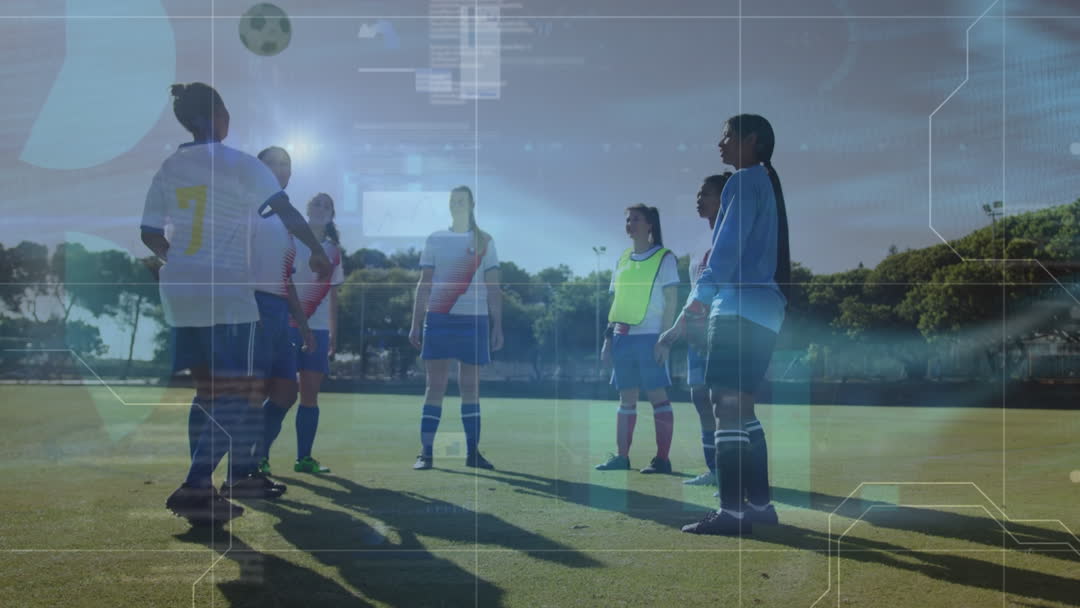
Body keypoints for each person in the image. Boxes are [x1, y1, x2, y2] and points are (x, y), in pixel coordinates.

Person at [141, 82, 328, 525]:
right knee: (242, 392)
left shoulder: (170, 165)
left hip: (179, 288)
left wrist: (178, 261)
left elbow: (149, 233)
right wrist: (317, 250)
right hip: (225, 290)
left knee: (209, 390)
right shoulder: (242, 164)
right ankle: (196, 484)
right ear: (219, 116)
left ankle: (205, 487)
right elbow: (287, 212)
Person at [659, 114, 790, 535]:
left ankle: (732, 513)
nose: (720, 143)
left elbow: (726, 250)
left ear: (751, 140)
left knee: (725, 405)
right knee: (742, 407)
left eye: (727, 136)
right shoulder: (765, 182)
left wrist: (692, 308)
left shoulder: (744, 181)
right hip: (764, 309)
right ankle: (761, 507)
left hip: (737, 309)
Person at [408, 186, 503, 470]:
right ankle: (426, 453)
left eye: (462, 201)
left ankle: (473, 454)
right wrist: (415, 323)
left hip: (474, 321)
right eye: (453, 201)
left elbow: (494, 287)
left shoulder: (485, 241)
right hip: (439, 318)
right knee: (434, 386)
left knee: (470, 388)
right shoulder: (435, 239)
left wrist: (498, 326)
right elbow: (424, 283)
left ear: (472, 205)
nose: (457, 205)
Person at [258, 192, 344, 475]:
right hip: (286, 325)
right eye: (316, 203)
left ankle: (304, 458)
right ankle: (259, 457)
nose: (321, 208)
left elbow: (332, 295)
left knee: (310, 395)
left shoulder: (333, 250)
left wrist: (332, 332)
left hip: (318, 330)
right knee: (280, 393)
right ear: (307, 209)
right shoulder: (288, 239)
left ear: (331, 215)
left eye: (327, 205)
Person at [594, 205, 680, 474]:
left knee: (658, 397)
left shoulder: (665, 257)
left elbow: (671, 301)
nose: (630, 224)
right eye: (628, 219)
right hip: (623, 337)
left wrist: (664, 340)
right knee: (626, 400)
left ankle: (662, 460)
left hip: (651, 337)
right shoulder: (622, 259)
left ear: (650, 224)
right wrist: (608, 340)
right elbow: (617, 304)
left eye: (636, 219)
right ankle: (622, 457)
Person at [681, 173, 732, 490]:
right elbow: (694, 290)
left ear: (724, 199)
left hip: (722, 330)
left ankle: (733, 473)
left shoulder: (732, 237)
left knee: (724, 403)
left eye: (706, 194)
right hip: (696, 334)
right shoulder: (699, 244)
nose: (699, 199)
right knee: (699, 398)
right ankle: (714, 469)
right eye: (698, 194)